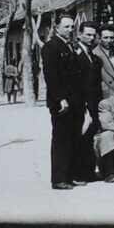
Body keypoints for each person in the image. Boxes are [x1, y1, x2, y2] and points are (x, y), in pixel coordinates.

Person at [42, 13, 89, 190]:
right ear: (57, 28)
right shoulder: (51, 47)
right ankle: (59, 178)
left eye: (72, 27)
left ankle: (72, 175)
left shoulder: (71, 46)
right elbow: (51, 77)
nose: (70, 30)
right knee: (61, 140)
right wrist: (60, 98)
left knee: (74, 138)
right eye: (66, 27)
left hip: (75, 101)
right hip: (61, 103)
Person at [74, 21, 104, 182]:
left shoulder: (93, 56)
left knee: (89, 137)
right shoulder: (75, 54)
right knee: (81, 137)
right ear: (79, 34)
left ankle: (88, 171)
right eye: (88, 35)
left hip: (94, 102)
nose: (91, 38)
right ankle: (79, 173)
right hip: (81, 103)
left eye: (94, 35)